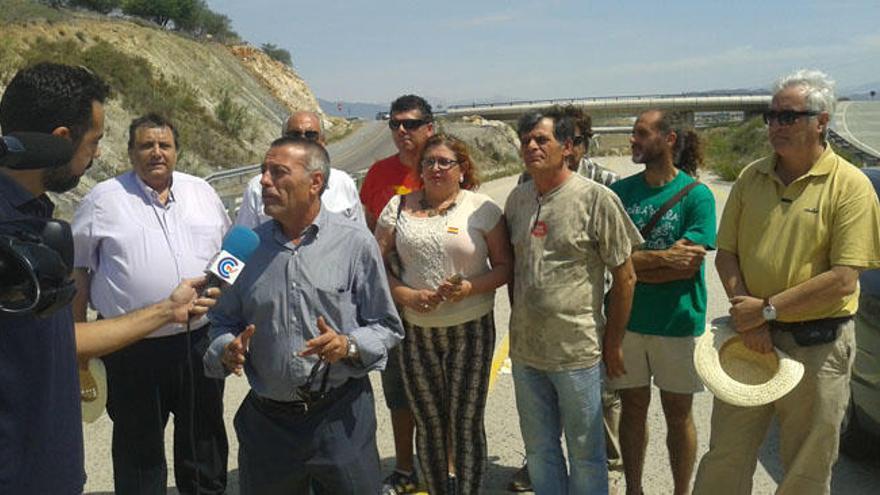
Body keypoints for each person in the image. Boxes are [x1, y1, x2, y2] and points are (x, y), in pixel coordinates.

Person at [0, 62, 218, 494]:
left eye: (165, 144)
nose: (96, 154)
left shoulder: (34, 219)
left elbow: (58, 336)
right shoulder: (26, 226)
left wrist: (168, 310)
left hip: (48, 467)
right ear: (62, 140)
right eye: (94, 141)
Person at [694, 69, 880, 494]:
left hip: (818, 347)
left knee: (806, 468)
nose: (776, 125)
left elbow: (844, 278)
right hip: (750, 342)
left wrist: (767, 309)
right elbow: (728, 253)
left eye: (788, 116)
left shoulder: (850, 187)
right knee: (726, 455)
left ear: (822, 121)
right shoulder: (750, 177)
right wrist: (751, 317)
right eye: (771, 115)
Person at [204, 136, 403, 494]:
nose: (264, 181)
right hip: (268, 427)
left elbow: (387, 326)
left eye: (278, 172)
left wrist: (349, 345)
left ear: (315, 183)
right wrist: (225, 348)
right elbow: (219, 321)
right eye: (264, 171)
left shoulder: (357, 242)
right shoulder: (240, 246)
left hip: (340, 419)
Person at [71, 113, 231, 494]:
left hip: (198, 341)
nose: (156, 152)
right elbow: (79, 273)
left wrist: (223, 293)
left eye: (164, 145)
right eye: (146, 145)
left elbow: (229, 254)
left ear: (177, 152)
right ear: (130, 152)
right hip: (131, 347)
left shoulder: (202, 193)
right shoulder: (102, 200)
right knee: (138, 450)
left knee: (203, 439)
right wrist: (79, 343)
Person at [505, 111, 641, 494]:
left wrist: (612, 343)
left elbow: (626, 276)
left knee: (585, 453)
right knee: (540, 450)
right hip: (527, 353)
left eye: (541, 140)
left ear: (567, 147)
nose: (531, 146)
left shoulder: (596, 199)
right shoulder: (517, 199)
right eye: (526, 140)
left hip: (577, 353)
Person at [373, 134, 512, 495]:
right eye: (428, 162)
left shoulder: (483, 209)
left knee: (464, 423)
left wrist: (470, 287)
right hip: (418, 333)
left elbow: (504, 266)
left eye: (444, 162)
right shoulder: (398, 207)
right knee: (429, 422)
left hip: (471, 331)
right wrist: (403, 293)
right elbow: (374, 264)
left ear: (462, 169)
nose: (435, 168)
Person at [608, 109, 716, 495]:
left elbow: (685, 266)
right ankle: (634, 489)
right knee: (632, 410)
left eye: (640, 133)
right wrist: (654, 261)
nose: (632, 140)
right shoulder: (621, 193)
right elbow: (611, 261)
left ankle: (680, 492)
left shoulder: (697, 195)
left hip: (677, 324)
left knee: (678, 414)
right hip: (628, 323)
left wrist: (633, 266)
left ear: (668, 139)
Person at [360, 93, 435, 494]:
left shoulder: (445, 168)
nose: (401, 131)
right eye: (394, 124)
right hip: (392, 302)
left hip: (444, 306)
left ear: (429, 127)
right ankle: (405, 467)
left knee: (442, 392)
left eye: (410, 123)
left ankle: (443, 466)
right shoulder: (377, 174)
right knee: (399, 390)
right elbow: (371, 233)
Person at [235, 110, 363, 228]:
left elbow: (359, 238)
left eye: (311, 135)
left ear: (323, 142)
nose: (303, 141)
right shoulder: (258, 188)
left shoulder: (343, 184)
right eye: (294, 135)